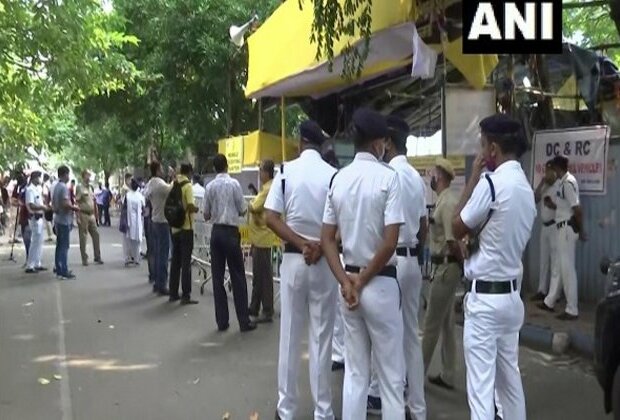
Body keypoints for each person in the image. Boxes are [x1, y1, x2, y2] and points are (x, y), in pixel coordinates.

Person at [321, 108, 406, 420]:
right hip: (380, 284)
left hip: (350, 289)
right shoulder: (388, 179)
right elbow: (389, 241)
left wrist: (346, 281)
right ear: (378, 143)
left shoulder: (339, 179)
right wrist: (361, 280)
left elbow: (327, 238)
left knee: (355, 375)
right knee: (390, 378)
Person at [451, 114, 536, 420]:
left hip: (485, 302)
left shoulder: (491, 184)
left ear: (493, 149)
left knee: (481, 391)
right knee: (510, 384)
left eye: (483, 145)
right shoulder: (526, 189)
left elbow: (456, 225)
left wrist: (472, 177)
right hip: (512, 299)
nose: (480, 152)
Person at [265, 120, 338, 420]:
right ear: (320, 145)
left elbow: (270, 217)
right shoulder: (334, 176)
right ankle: (323, 412)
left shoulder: (285, 172)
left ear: (299, 142)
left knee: (290, 337)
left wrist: (300, 242)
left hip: (295, 262)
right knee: (322, 340)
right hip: (325, 263)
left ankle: (286, 410)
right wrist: (320, 245)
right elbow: (341, 223)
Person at [371, 114, 427, 419]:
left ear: (388, 143)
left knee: (387, 337)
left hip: (390, 263)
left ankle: (383, 397)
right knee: (411, 337)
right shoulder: (416, 178)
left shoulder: (385, 176)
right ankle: (417, 408)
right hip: (412, 260)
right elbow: (423, 225)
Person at [422, 158, 463, 391]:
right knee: (447, 324)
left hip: (447, 268)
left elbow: (452, 239)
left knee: (430, 325)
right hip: (443, 266)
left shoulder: (447, 203)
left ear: (442, 176)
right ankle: (448, 374)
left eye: (434, 173)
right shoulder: (443, 200)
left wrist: (462, 264)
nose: (431, 177)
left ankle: (415, 377)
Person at [204, 156, 255, 329]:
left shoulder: (209, 187)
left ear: (215, 167)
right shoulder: (235, 184)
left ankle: (222, 321)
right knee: (238, 276)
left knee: (217, 277)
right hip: (231, 233)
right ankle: (243, 320)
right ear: (226, 166)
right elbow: (242, 209)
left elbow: (206, 214)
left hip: (216, 232)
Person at [538, 155, 587, 320]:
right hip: (562, 228)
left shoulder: (568, 182)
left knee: (567, 270)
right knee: (561, 267)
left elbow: (577, 209)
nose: (551, 171)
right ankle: (550, 301)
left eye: (552, 168)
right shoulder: (563, 182)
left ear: (557, 168)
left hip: (566, 229)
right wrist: (554, 205)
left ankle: (572, 309)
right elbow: (565, 205)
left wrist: (581, 230)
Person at [248, 159, 276, 323]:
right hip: (259, 237)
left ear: (266, 172)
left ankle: (267, 309)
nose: (259, 174)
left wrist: (251, 202)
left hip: (262, 238)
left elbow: (253, 206)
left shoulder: (267, 189)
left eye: (260, 171)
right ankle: (255, 305)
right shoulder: (266, 188)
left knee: (264, 276)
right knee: (258, 275)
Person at [169, 163, 200, 305]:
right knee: (186, 262)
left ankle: (173, 292)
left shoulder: (173, 184)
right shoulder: (188, 186)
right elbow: (190, 205)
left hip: (174, 227)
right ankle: (186, 295)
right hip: (186, 227)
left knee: (175, 261)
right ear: (190, 172)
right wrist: (197, 209)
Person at [530, 160, 561, 301]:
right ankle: (542, 290)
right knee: (544, 260)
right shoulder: (546, 186)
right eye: (546, 171)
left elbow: (564, 209)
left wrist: (552, 205)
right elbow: (535, 199)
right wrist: (542, 183)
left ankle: (554, 294)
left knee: (555, 261)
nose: (547, 173)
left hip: (555, 226)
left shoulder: (560, 186)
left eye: (550, 171)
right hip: (545, 226)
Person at [144, 162, 173, 295]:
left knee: (156, 252)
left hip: (154, 220)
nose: (163, 170)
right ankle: (162, 283)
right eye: (161, 168)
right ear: (157, 170)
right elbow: (170, 189)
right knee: (163, 254)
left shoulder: (150, 184)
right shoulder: (160, 184)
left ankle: (156, 280)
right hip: (162, 221)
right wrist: (173, 177)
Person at [53, 166, 80, 280]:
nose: (69, 177)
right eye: (68, 174)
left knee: (59, 246)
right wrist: (75, 208)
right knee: (64, 246)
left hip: (58, 219)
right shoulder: (63, 188)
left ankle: (59, 268)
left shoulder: (56, 186)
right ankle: (63, 270)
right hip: (63, 220)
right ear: (65, 175)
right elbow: (65, 204)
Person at [76, 170, 103, 266]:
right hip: (83, 214)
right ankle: (84, 259)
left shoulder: (91, 187)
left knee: (96, 235)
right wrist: (78, 217)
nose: (89, 178)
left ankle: (97, 256)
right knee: (83, 237)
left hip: (91, 215)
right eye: (87, 176)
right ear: (83, 176)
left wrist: (96, 215)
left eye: (90, 176)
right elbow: (77, 202)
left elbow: (94, 201)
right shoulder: (79, 187)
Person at [24, 171, 49, 273]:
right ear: (34, 178)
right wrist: (43, 207)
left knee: (39, 241)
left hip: (40, 216)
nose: (40, 180)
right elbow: (31, 205)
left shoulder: (37, 189)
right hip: (35, 217)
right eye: (39, 178)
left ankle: (37, 262)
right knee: (35, 241)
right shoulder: (30, 190)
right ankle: (30, 265)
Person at [123, 178, 145, 266]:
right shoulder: (140, 196)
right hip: (138, 219)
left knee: (128, 240)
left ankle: (128, 257)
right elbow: (144, 208)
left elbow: (124, 207)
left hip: (129, 219)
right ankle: (136, 258)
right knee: (137, 240)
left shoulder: (127, 195)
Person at [42, 174, 54, 242]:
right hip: (51, 203)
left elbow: (45, 194)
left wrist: (46, 204)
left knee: (47, 219)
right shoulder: (51, 184)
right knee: (51, 219)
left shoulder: (45, 185)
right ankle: (52, 234)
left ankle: (50, 235)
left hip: (47, 203)